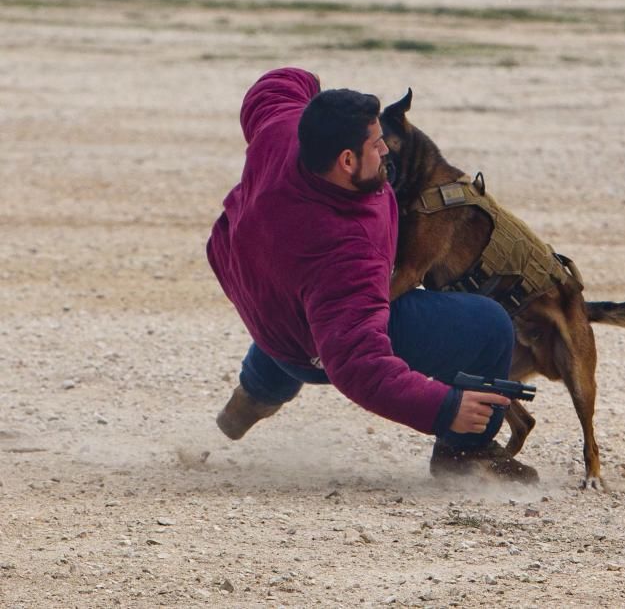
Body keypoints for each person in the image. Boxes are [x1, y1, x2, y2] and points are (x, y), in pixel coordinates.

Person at [206, 67, 537, 483]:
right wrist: (445, 406)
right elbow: (360, 365)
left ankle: (252, 397)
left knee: (300, 314)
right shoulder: (347, 251)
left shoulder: (285, 128)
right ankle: (465, 454)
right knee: (489, 325)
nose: (386, 151)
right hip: (312, 340)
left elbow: (275, 85)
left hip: (256, 285)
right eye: (376, 145)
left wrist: (327, 103)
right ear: (346, 160)